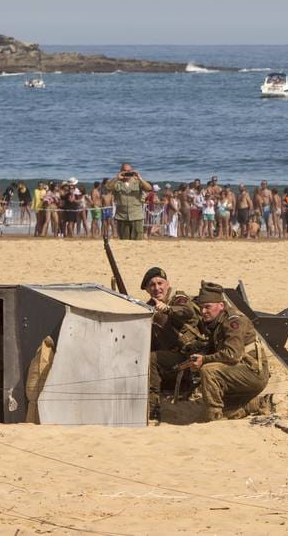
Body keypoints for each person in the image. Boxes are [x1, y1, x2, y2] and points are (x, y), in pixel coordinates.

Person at [183, 282, 271, 421]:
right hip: (239, 371)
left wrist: (204, 360)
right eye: (201, 307)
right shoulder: (217, 321)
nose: (203, 311)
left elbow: (232, 354)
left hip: (253, 372)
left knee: (208, 370)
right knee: (222, 407)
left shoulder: (233, 321)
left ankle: (213, 416)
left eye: (207, 307)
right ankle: (256, 404)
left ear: (221, 305)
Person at [143, 267, 206, 418]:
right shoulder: (148, 308)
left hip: (189, 355)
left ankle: (153, 407)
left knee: (151, 359)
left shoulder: (178, 299)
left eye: (160, 283)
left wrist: (168, 309)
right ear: (147, 289)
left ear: (167, 284)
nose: (157, 288)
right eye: (152, 285)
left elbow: (187, 312)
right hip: (172, 359)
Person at [105, 164, 152, 241]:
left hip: (136, 216)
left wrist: (140, 178)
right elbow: (107, 187)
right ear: (121, 171)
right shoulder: (117, 183)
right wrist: (117, 178)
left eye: (129, 171)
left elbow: (149, 188)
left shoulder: (138, 182)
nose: (127, 173)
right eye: (124, 171)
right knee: (124, 241)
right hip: (122, 216)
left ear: (132, 171)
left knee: (137, 241)